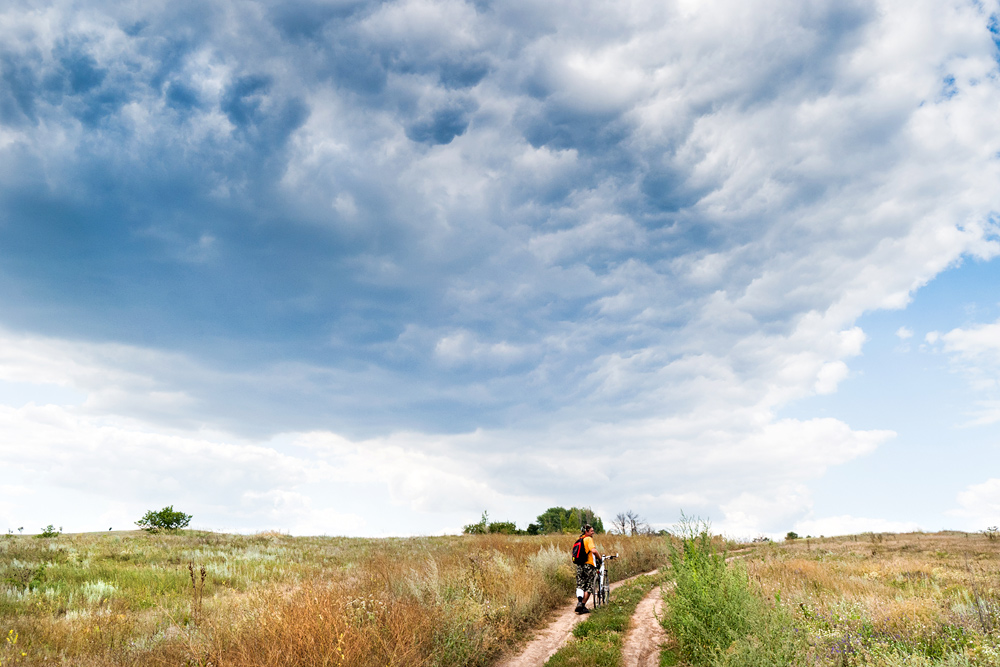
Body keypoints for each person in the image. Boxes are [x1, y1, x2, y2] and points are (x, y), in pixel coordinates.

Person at [574, 524, 601, 614]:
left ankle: (579, 602)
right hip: (588, 565)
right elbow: (593, 551)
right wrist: (599, 557)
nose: (593, 532)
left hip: (579, 565)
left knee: (580, 585)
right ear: (587, 531)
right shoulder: (588, 539)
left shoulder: (579, 539)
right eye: (591, 531)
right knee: (589, 586)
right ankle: (583, 606)